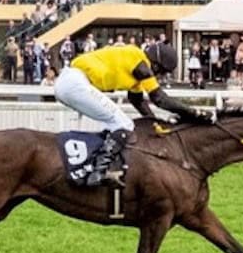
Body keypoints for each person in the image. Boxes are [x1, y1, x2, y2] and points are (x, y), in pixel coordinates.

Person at [53, 40, 207, 195]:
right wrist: (194, 113)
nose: (158, 76)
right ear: (156, 65)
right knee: (124, 125)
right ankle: (97, 173)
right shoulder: (140, 62)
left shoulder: (136, 68)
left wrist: (156, 124)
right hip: (75, 83)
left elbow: (138, 101)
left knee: (114, 125)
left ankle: (92, 166)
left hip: (70, 82)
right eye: (161, 72)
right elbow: (159, 98)